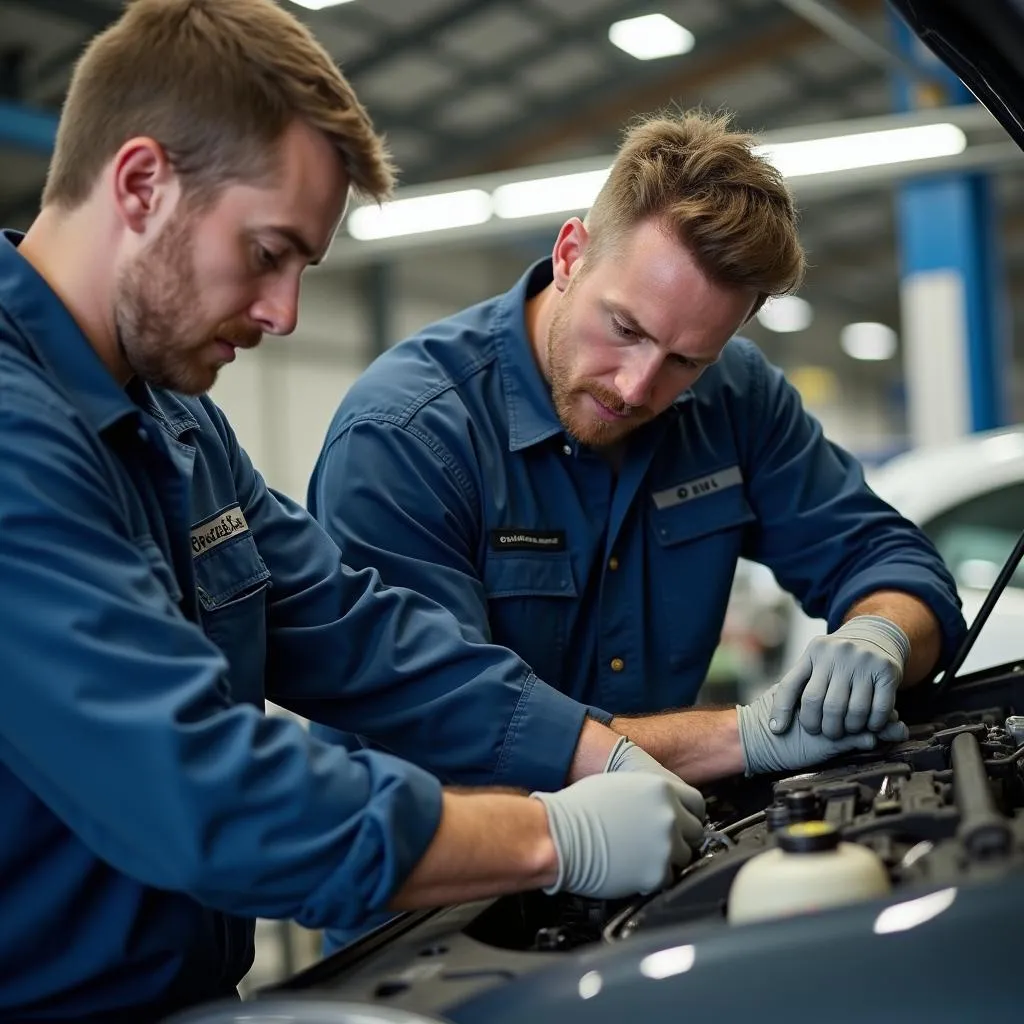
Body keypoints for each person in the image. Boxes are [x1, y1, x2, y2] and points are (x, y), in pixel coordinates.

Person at [0, 2, 741, 1019]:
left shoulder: (171, 418)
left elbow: (355, 631)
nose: (284, 312)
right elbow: (209, 792)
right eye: (267, 252)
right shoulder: (13, 435)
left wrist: (591, 747)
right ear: (140, 184)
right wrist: (551, 835)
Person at [307, 111, 968, 950]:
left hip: (657, 871)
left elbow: (886, 555)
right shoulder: (408, 437)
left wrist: (882, 630)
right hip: (442, 926)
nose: (637, 384)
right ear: (572, 252)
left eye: (686, 359)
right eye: (625, 328)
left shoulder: (732, 397)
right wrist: (742, 736)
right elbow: (438, 740)